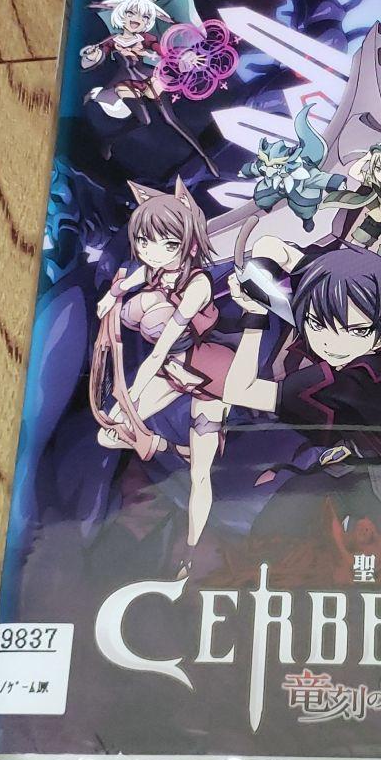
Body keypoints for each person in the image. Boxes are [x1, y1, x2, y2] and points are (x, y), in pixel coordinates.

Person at [225, 246, 381, 537]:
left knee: (278, 529)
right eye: (317, 324)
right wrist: (287, 259)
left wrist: (254, 317)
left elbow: (240, 391)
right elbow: (331, 300)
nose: (330, 342)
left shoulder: (343, 383)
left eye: (356, 331)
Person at [91, 178, 235, 576]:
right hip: (172, 365)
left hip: (207, 372)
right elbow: (129, 282)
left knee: (201, 474)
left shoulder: (198, 284)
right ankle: (169, 447)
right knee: (107, 434)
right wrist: (111, 297)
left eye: (165, 244)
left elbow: (160, 349)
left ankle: (190, 551)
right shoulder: (154, 269)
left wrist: (131, 396)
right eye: (144, 242)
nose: (151, 252)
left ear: (187, 244)